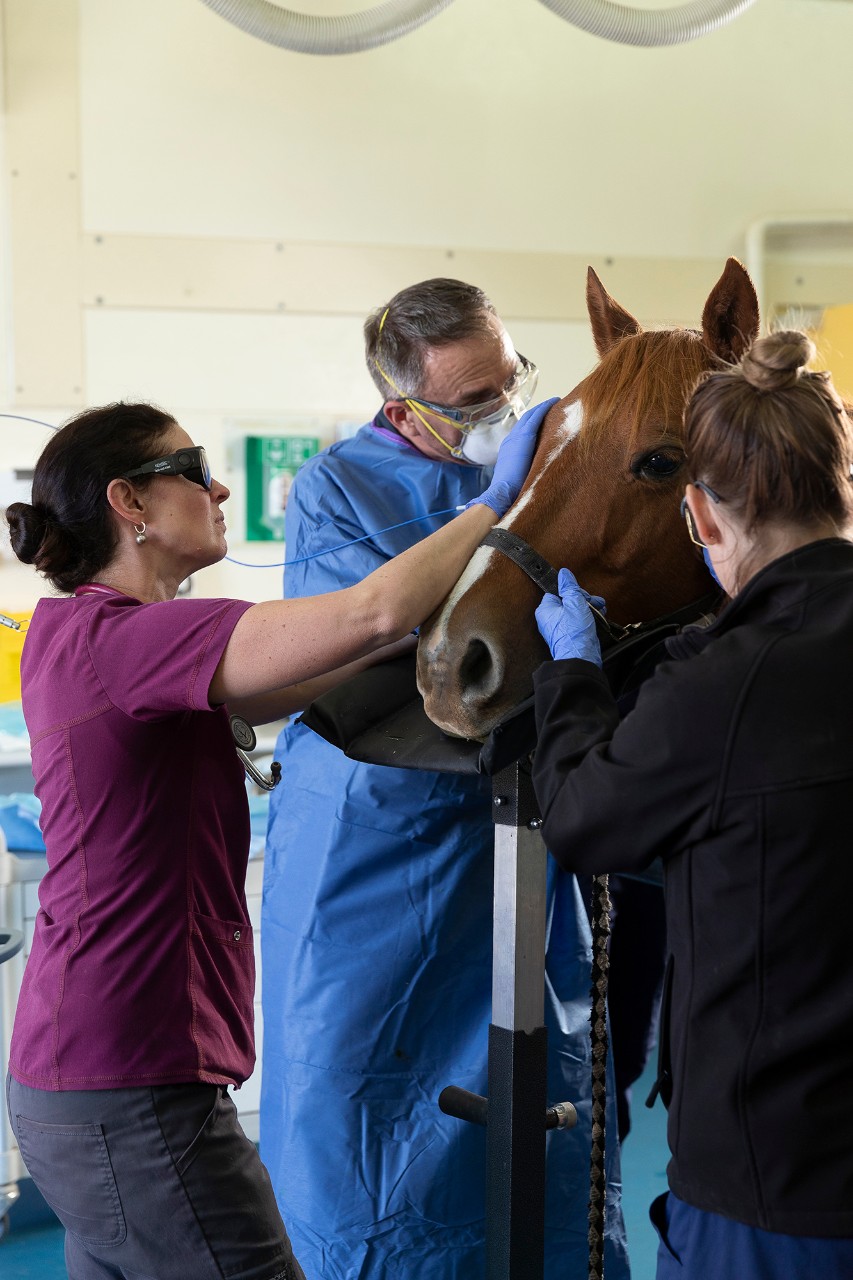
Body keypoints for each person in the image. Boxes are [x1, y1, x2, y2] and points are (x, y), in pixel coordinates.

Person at [3, 396, 540, 1280]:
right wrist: (505, 503)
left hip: (73, 1077)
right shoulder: (132, 636)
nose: (217, 486)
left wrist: (423, 632)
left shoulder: (75, 635)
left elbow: (296, 675)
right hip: (133, 1085)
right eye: (189, 469)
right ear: (127, 504)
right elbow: (367, 611)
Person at [260, 278, 629, 1280]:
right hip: (375, 846)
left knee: (544, 1100)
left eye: (508, 383)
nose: (498, 412)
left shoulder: (546, 461)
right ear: (401, 403)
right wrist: (506, 513)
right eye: (469, 403)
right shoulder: (342, 486)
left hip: (518, 835)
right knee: (363, 1098)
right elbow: (385, 644)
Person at [531, 330, 853, 1279]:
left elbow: (585, 818)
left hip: (778, 1180)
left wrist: (573, 678)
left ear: (700, 519)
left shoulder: (724, 684)